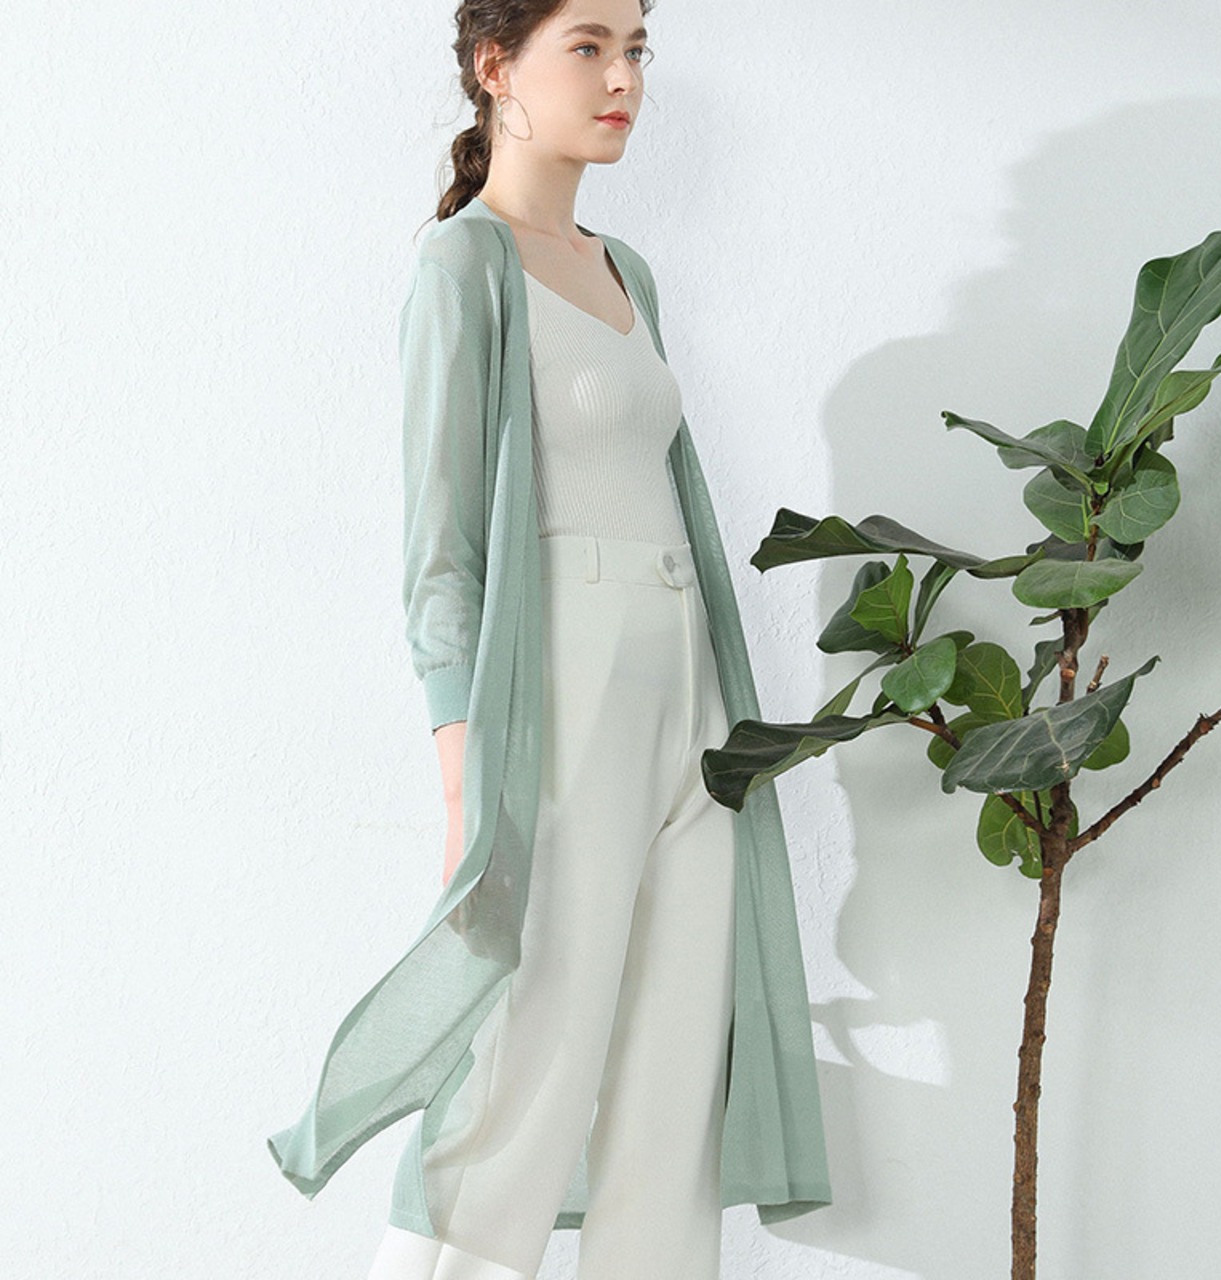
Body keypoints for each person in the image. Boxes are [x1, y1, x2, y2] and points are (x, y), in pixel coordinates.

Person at [266, 2, 832, 1277]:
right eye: (587, 45)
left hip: (692, 701)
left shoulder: (629, 272)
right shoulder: (460, 266)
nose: (622, 75)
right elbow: (441, 552)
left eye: (636, 48)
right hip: (565, 696)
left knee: (672, 1081)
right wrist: (466, 781)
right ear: (495, 67)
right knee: (528, 1055)